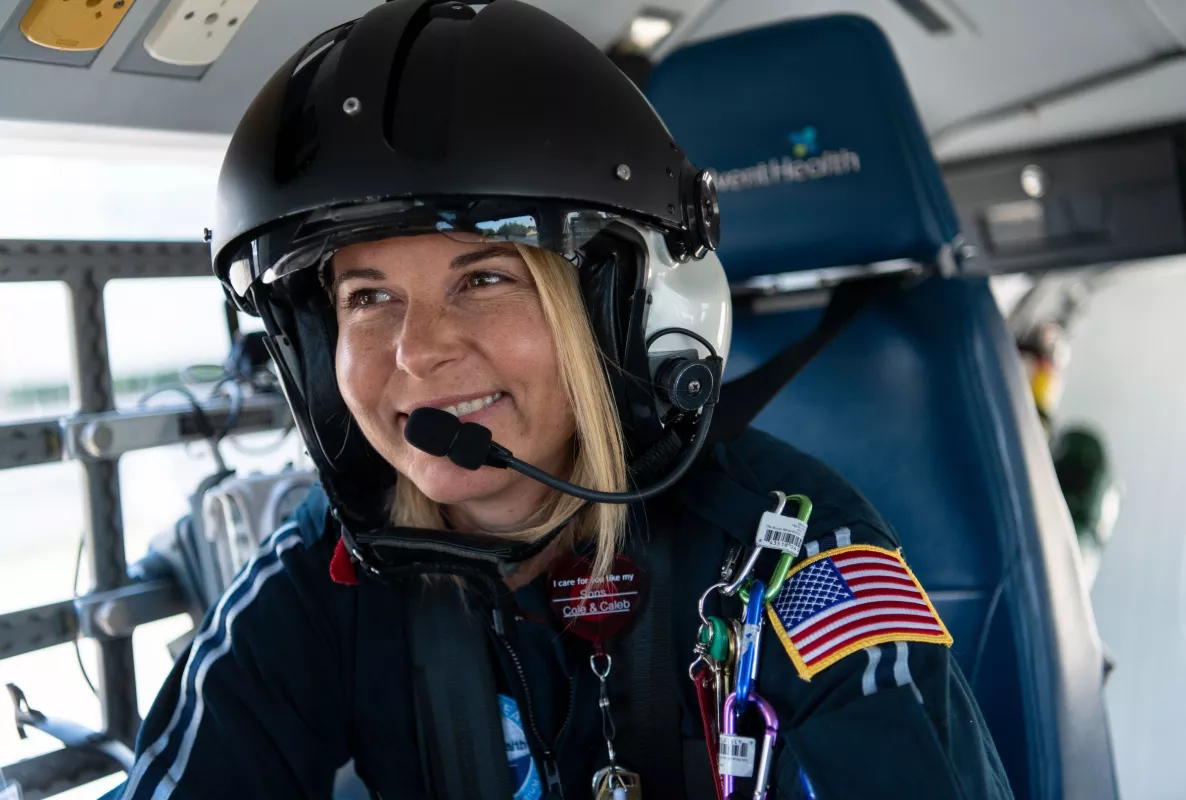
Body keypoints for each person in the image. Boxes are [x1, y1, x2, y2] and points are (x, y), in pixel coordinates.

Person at [103, 1, 1013, 798]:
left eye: (487, 279)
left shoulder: (794, 555)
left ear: (618, 316)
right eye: (368, 296)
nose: (417, 352)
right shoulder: (324, 571)